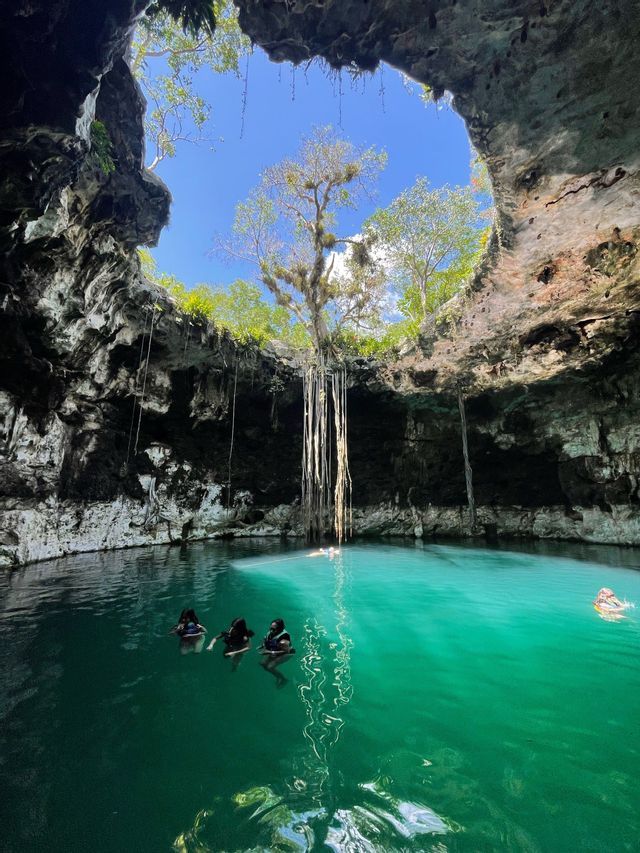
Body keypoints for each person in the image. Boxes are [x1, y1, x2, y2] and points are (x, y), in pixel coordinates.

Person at [259, 618, 295, 685]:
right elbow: (267, 639)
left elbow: (285, 651)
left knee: (270, 667)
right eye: (271, 628)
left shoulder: (285, 637)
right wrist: (263, 645)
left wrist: (269, 652)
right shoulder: (271, 632)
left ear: (279, 629)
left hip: (287, 653)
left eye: (273, 629)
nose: (271, 630)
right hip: (275, 649)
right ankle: (277, 676)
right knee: (262, 663)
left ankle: (283, 679)